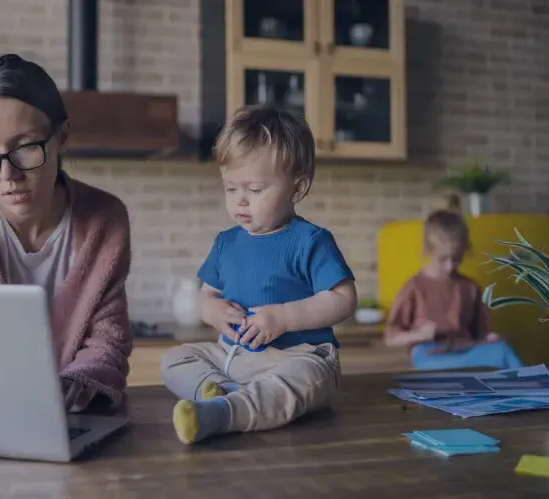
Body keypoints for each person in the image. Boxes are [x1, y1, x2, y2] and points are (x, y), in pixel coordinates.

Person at [0, 54, 133, 413]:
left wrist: (78, 383)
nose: (8, 175)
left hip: (71, 418)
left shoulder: (105, 220)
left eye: (25, 147)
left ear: (61, 136)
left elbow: (108, 339)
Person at [160, 105, 357, 445]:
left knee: (308, 378)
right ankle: (220, 392)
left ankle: (222, 414)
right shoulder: (226, 242)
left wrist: (283, 317)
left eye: (254, 190)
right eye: (230, 189)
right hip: (232, 357)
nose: (240, 201)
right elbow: (206, 296)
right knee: (174, 359)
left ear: (297, 189)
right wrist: (214, 312)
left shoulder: (310, 240)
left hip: (295, 358)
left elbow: (343, 299)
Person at [383, 192, 524, 370]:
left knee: (502, 351)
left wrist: (489, 339)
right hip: (430, 354)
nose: (450, 266)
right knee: (438, 367)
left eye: (457, 259)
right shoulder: (415, 287)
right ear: (428, 250)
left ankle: (538, 393)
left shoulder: (470, 287)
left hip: (466, 350)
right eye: (443, 259)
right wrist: (418, 335)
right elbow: (391, 338)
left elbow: (480, 335)